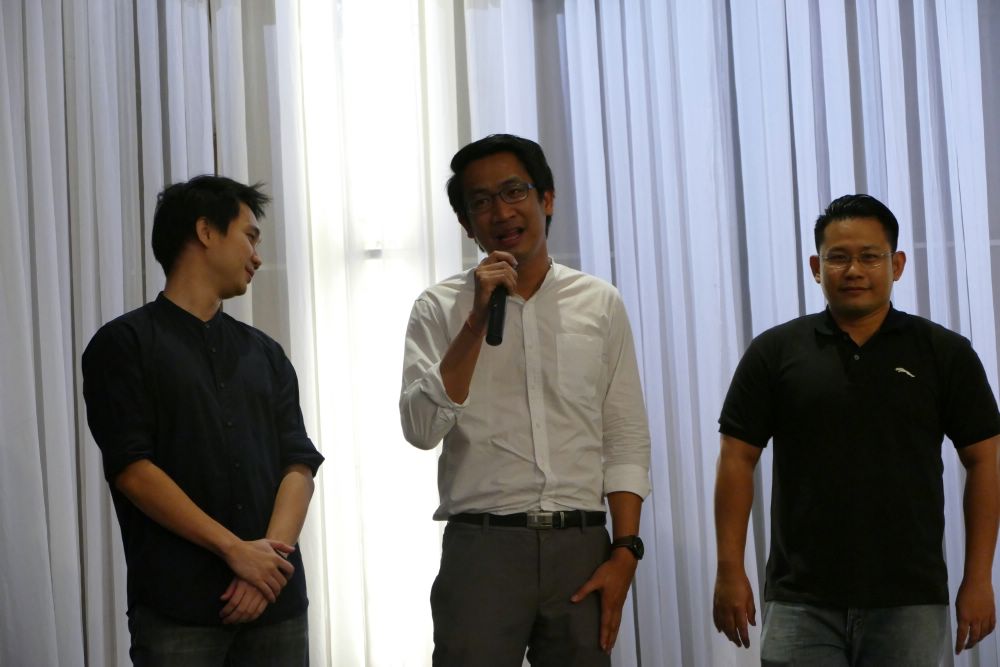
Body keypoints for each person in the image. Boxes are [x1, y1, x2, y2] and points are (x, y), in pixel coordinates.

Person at [713, 193, 1000, 665]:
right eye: (838, 258)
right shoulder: (775, 352)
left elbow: (985, 460)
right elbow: (737, 458)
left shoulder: (944, 353)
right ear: (816, 267)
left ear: (897, 264)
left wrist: (979, 578)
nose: (854, 270)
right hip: (800, 597)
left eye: (870, 256)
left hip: (910, 598)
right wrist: (729, 569)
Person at [399, 134, 651, 666]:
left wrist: (626, 549)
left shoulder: (599, 303)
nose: (502, 212)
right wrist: (474, 322)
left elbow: (624, 434)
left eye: (514, 192)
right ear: (467, 224)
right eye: (481, 201)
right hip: (483, 548)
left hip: (581, 545)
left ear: (547, 199)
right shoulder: (439, 308)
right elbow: (420, 430)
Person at [82, 175, 324, 666]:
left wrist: (266, 565)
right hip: (179, 607)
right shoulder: (123, 344)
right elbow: (132, 469)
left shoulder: (266, 353)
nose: (257, 257)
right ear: (206, 231)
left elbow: (299, 465)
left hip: (276, 605)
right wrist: (236, 551)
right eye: (250, 237)